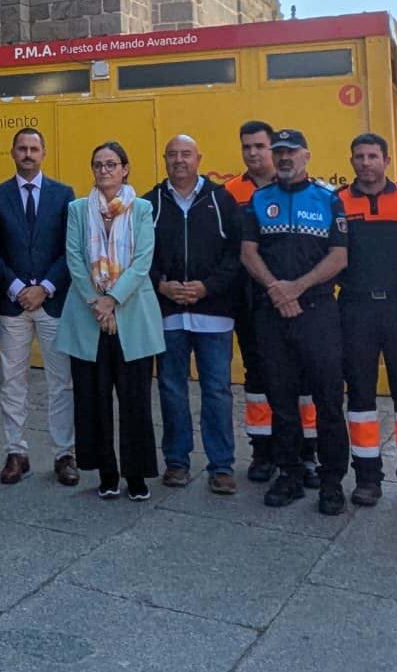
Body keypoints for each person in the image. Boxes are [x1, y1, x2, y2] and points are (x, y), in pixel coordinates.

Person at [239, 129, 350, 515]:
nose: (284, 158)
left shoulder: (328, 199)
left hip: (317, 311)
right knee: (281, 400)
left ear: (306, 155)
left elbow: (339, 257)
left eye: (291, 152)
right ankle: (289, 474)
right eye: (279, 152)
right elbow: (248, 251)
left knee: (328, 401)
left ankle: (332, 481)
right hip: (272, 312)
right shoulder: (259, 199)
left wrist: (296, 288)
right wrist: (275, 289)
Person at [59, 141, 163, 500]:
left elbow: (143, 260)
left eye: (111, 164)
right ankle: (106, 473)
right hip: (88, 316)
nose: (104, 170)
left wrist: (113, 301)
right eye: (98, 165)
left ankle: (136, 476)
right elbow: (73, 258)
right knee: (93, 399)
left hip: (131, 315)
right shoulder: (77, 209)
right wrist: (97, 303)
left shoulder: (142, 208)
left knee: (135, 400)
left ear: (125, 168)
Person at [335, 133, 397, 512]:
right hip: (355, 307)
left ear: (386, 161)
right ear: (352, 160)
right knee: (359, 394)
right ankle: (367, 477)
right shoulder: (338, 202)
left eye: (373, 156)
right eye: (359, 156)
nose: (365, 163)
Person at [144, 134, 243, 494]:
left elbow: (236, 255)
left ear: (199, 157)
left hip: (213, 313)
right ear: (165, 159)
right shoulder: (149, 203)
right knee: (171, 389)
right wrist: (160, 285)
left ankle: (221, 467)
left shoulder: (221, 200)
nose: (179, 161)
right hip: (168, 312)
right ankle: (177, 463)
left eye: (186, 154)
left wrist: (207, 287)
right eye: (172, 155)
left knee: (217, 390)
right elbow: (139, 254)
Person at [222, 120, 313, 483]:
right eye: (246, 147)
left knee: (303, 377)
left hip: (297, 299)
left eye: (260, 146)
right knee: (257, 376)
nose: (253, 153)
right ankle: (263, 452)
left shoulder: (296, 187)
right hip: (250, 301)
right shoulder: (229, 193)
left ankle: (307, 452)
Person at [0, 127, 79, 486]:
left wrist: (44, 287)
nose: (28, 154)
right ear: (12, 153)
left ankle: (64, 454)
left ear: (43, 154)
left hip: (53, 301)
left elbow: (70, 248)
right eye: (22, 148)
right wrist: (15, 287)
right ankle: (16, 452)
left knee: (61, 382)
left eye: (34, 148)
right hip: (12, 303)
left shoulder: (63, 195)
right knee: (12, 381)